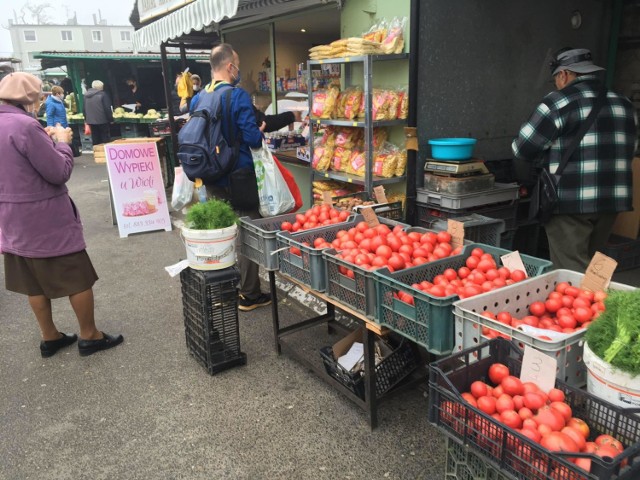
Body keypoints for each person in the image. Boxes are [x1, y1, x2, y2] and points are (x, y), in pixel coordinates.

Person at [0, 72, 123, 357]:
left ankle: (50, 336)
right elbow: (59, 172)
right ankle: (90, 335)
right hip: (45, 218)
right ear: (29, 99)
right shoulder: (25, 126)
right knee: (76, 276)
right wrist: (63, 142)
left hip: (11, 218)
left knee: (32, 280)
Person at [512, 47, 637, 271]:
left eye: (556, 80)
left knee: (570, 271)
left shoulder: (558, 102)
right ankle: (597, 302)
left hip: (571, 200)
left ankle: (588, 305)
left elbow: (523, 148)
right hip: (612, 199)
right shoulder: (625, 104)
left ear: (564, 74)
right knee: (593, 265)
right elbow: (632, 148)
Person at [202, 43, 271, 312]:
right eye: (238, 64)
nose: (239, 69)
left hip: (211, 176)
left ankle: (221, 290)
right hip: (238, 178)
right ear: (230, 66)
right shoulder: (237, 96)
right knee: (248, 234)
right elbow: (253, 138)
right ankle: (250, 294)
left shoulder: (200, 96)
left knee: (222, 234)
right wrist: (260, 129)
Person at [83, 80, 113, 146]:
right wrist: (110, 119)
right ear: (101, 87)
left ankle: (97, 153)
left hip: (90, 121)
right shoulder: (103, 94)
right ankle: (105, 154)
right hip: (103, 120)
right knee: (105, 139)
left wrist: (86, 119)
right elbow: (107, 108)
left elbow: (84, 109)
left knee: (95, 138)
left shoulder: (85, 95)